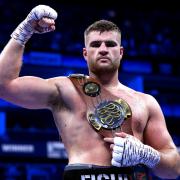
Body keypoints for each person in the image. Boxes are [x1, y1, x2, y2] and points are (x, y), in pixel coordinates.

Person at [0, 4, 179, 180]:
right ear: (85, 53)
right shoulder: (64, 89)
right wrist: (24, 30)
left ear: (121, 52)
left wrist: (148, 155)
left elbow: (174, 170)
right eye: (95, 44)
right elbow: (4, 86)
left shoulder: (145, 102)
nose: (103, 49)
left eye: (110, 44)